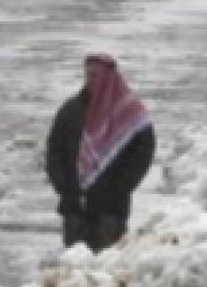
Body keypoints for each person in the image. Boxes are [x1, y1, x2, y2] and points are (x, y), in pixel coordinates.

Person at [45, 54, 155, 252]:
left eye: (96, 75)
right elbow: (54, 151)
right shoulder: (71, 110)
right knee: (76, 270)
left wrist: (120, 186)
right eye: (88, 75)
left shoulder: (128, 113)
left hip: (110, 211)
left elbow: (143, 152)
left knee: (106, 268)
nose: (91, 80)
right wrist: (64, 186)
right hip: (75, 208)